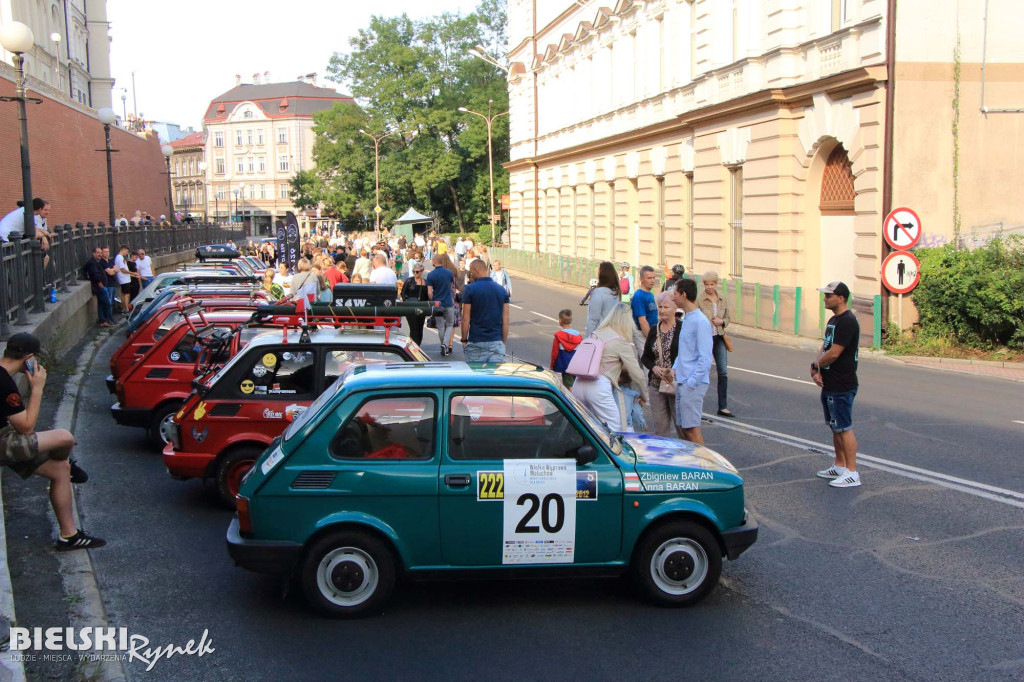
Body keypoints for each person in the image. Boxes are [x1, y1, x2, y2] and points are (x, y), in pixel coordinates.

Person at [0, 333, 104, 551]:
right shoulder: (3, 381)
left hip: (6, 438)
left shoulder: (3, 377)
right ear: (29, 358)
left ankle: (69, 535)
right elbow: (26, 427)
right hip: (4, 442)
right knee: (64, 437)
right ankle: (64, 457)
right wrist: (37, 388)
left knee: (60, 470)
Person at [811, 281, 862, 488]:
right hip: (830, 382)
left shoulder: (848, 321)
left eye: (828, 295)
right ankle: (839, 464)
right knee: (835, 427)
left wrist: (816, 364)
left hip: (842, 382)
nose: (825, 299)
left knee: (844, 427)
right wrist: (816, 369)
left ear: (840, 297)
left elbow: (835, 353)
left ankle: (852, 472)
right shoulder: (834, 320)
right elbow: (825, 346)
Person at [571, 304, 648, 431]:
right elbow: (637, 374)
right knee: (614, 430)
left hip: (578, 383)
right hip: (598, 386)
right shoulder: (621, 341)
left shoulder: (595, 333)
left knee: (583, 428)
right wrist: (645, 395)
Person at [660, 278, 712, 445]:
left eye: (675, 294)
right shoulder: (688, 318)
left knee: (691, 429)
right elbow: (684, 352)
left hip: (692, 383)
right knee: (683, 428)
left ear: (683, 294)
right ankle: (695, 462)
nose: (673, 298)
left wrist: (691, 383)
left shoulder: (700, 321)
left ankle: (706, 466)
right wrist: (674, 370)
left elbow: (705, 358)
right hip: (682, 381)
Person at [641, 292, 683, 437]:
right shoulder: (654, 330)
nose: (662, 310)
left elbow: (689, 356)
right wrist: (654, 367)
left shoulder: (682, 329)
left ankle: (685, 456)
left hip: (675, 382)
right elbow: (645, 357)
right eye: (660, 307)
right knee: (660, 428)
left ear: (675, 308)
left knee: (681, 426)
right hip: (655, 384)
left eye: (666, 307)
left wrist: (676, 370)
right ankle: (664, 457)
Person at [698, 271, 734, 418]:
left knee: (723, 372)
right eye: (706, 284)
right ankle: (697, 405)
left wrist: (722, 322)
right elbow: (693, 315)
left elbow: (727, 317)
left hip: (719, 337)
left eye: (711, 284)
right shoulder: (699, 299)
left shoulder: (722, 298)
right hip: (705, 338)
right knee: (702, 371)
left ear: (716, 284)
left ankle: (723, 407)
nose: (709, 287)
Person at [460, 260, 510, 363]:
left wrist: (464, 339)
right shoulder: (501, 290)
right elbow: (505, 319)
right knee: (493, 377)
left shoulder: (470, 290)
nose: (470, 274)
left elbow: (465, 318)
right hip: (496, 341)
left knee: (477, 376)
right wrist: (503, 341)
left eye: (471, 271)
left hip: (476, 340)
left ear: (476, 270)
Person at [426, 253, 457, 356]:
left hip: (437, 303)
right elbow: (452, 285)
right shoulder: (449, 273)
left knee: (440, 326)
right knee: (450, 324)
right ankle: (445, 344)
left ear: (435, 262)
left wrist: (433, 300)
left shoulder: (431, 275)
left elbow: (429, 292)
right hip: (448, 302)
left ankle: (443, 344)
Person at [585, 261, 621, 338]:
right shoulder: (616, 292)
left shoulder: (598, 293)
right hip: (613, 334)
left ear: (602, 275)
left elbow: (593, 319)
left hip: (599, 335)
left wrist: (588, 339)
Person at [550, 309, 582, 388]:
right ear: (571, 321)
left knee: (568, 386)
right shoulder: (578, 336)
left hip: (565, 365)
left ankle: (572, 399)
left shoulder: (558, 336)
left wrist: (552, 365)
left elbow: (555, 352)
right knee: (575, 384)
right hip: (576, 364)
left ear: (560, 321)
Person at [83, 247, 113, 327]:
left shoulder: (96, 262)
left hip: (102, 286)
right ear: (93, 253)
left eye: (100, 253)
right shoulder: (92, 263)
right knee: (107, 303)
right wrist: (101, 285)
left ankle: (102, 320)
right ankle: (105, 319)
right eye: (98, 253)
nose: (100, 254)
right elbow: (95, 275)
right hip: (100, 287)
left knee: (101, 304)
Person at [401, 262, 429, 347]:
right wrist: (406, 302)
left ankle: (418, 345)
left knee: (420, 327)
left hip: (422, 308)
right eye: (414, 271)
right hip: (411, 307)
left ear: (422, 271)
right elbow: (403, 293)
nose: (415, 273)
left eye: (417, 272)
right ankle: (413, 346)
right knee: (413, 328)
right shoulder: (409, 281)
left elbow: (427, 295)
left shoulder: (425, 282)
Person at [630, 265, 658, 348]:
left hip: (652, 332)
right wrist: (651, 340)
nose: (652, 281)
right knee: (645, 360)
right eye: (649, 278)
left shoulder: (650, 295)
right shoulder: (639, 296)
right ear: (641, 279)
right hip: (643, 334)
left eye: (653, 278)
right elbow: (642, 321)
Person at [113, 244, 133, 312]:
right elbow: (123, 269)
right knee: (126, 294)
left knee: (123, 293)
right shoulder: (119, 258)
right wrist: (132, 273)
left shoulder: (121, 257)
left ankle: (124, 307)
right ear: (123, 249)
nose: (127, 253)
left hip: (124, 279)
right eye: (126, 251)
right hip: (124, 279)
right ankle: (126, 308)